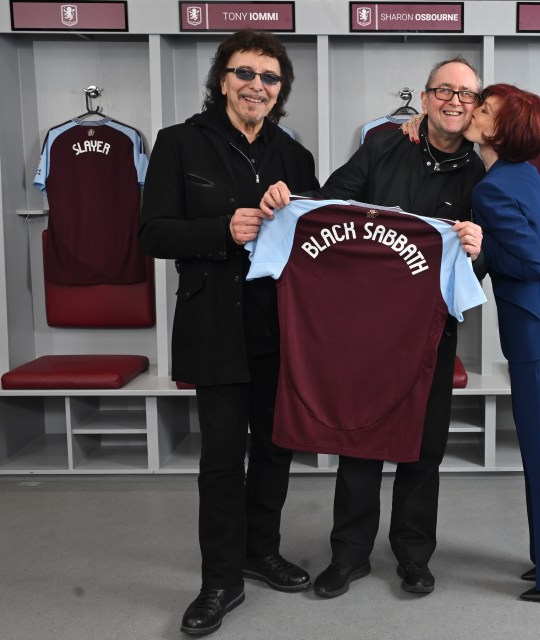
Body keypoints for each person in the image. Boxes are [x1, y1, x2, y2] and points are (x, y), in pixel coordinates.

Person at [259, 57, 484, 598]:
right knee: (361, 438)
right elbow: (330, 205)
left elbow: (479, 268)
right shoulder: (384, 146)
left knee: (423, 447)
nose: (454, 100)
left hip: (431, 330)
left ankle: (413, 556)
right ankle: (350, 555)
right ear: (426, 98)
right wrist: (285, 202)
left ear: (476, 107)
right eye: (444, 90)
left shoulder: (483, 175)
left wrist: (479, 249)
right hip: (364, 330)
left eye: (466, 94)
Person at [138, 30, 320, 636]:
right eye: (245, 74)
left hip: (279, 324)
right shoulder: (178, 144)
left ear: (280, 91)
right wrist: (224, 229)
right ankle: (219, 580)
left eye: (270, 79)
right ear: (223, 79)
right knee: (221, 458)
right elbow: (154, 235)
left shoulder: (295, 157)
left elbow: (316, 240)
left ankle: (259, 551)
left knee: (274, 448)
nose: (257, 87)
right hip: (213, 323)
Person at [464, 83, 540, 603]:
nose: (473, 111)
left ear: (501, 130)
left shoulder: (493, 188)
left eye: (484, 109)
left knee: (539, 450)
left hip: (534, 329)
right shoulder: (522, 174)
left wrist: (482, 245)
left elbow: (532, 261)